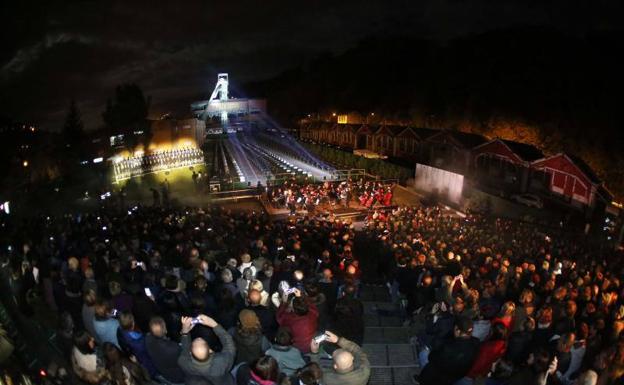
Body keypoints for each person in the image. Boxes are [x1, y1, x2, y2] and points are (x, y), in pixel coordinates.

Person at [416, 316, 480, 385]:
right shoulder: (476, 342)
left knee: (424, 354)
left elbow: (431, 357)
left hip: (442, 377)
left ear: (458, 330)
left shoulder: (448, 348)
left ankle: (422, 380)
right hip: (458, 375)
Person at [177, 314, 236, 385]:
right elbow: (229, 346)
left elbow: (184, 350)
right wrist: (214, 324)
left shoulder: (183, 363)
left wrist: (184, 332)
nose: (198, 338)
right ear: (210, 350)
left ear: (190, 352)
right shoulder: (221, 362)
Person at [145, 316, 186, 385]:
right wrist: (185, 334)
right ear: (165, 330)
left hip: (163, 373)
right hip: (177, 378)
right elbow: (185, 356)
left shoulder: (147, 339)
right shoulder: (173, 348)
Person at [276, 289, 318, 353]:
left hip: (297, 348)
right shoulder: (313, 313)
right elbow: (310, 304)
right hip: (311, 345)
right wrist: (300, 297)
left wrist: (283, 302)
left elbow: (279, 317)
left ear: (293, 309)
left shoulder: (290, 319)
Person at [117, 312, 158, 378]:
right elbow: (146, 360)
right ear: (133, 323)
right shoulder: (139, 343)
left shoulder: (119, 330)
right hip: (149, 367)